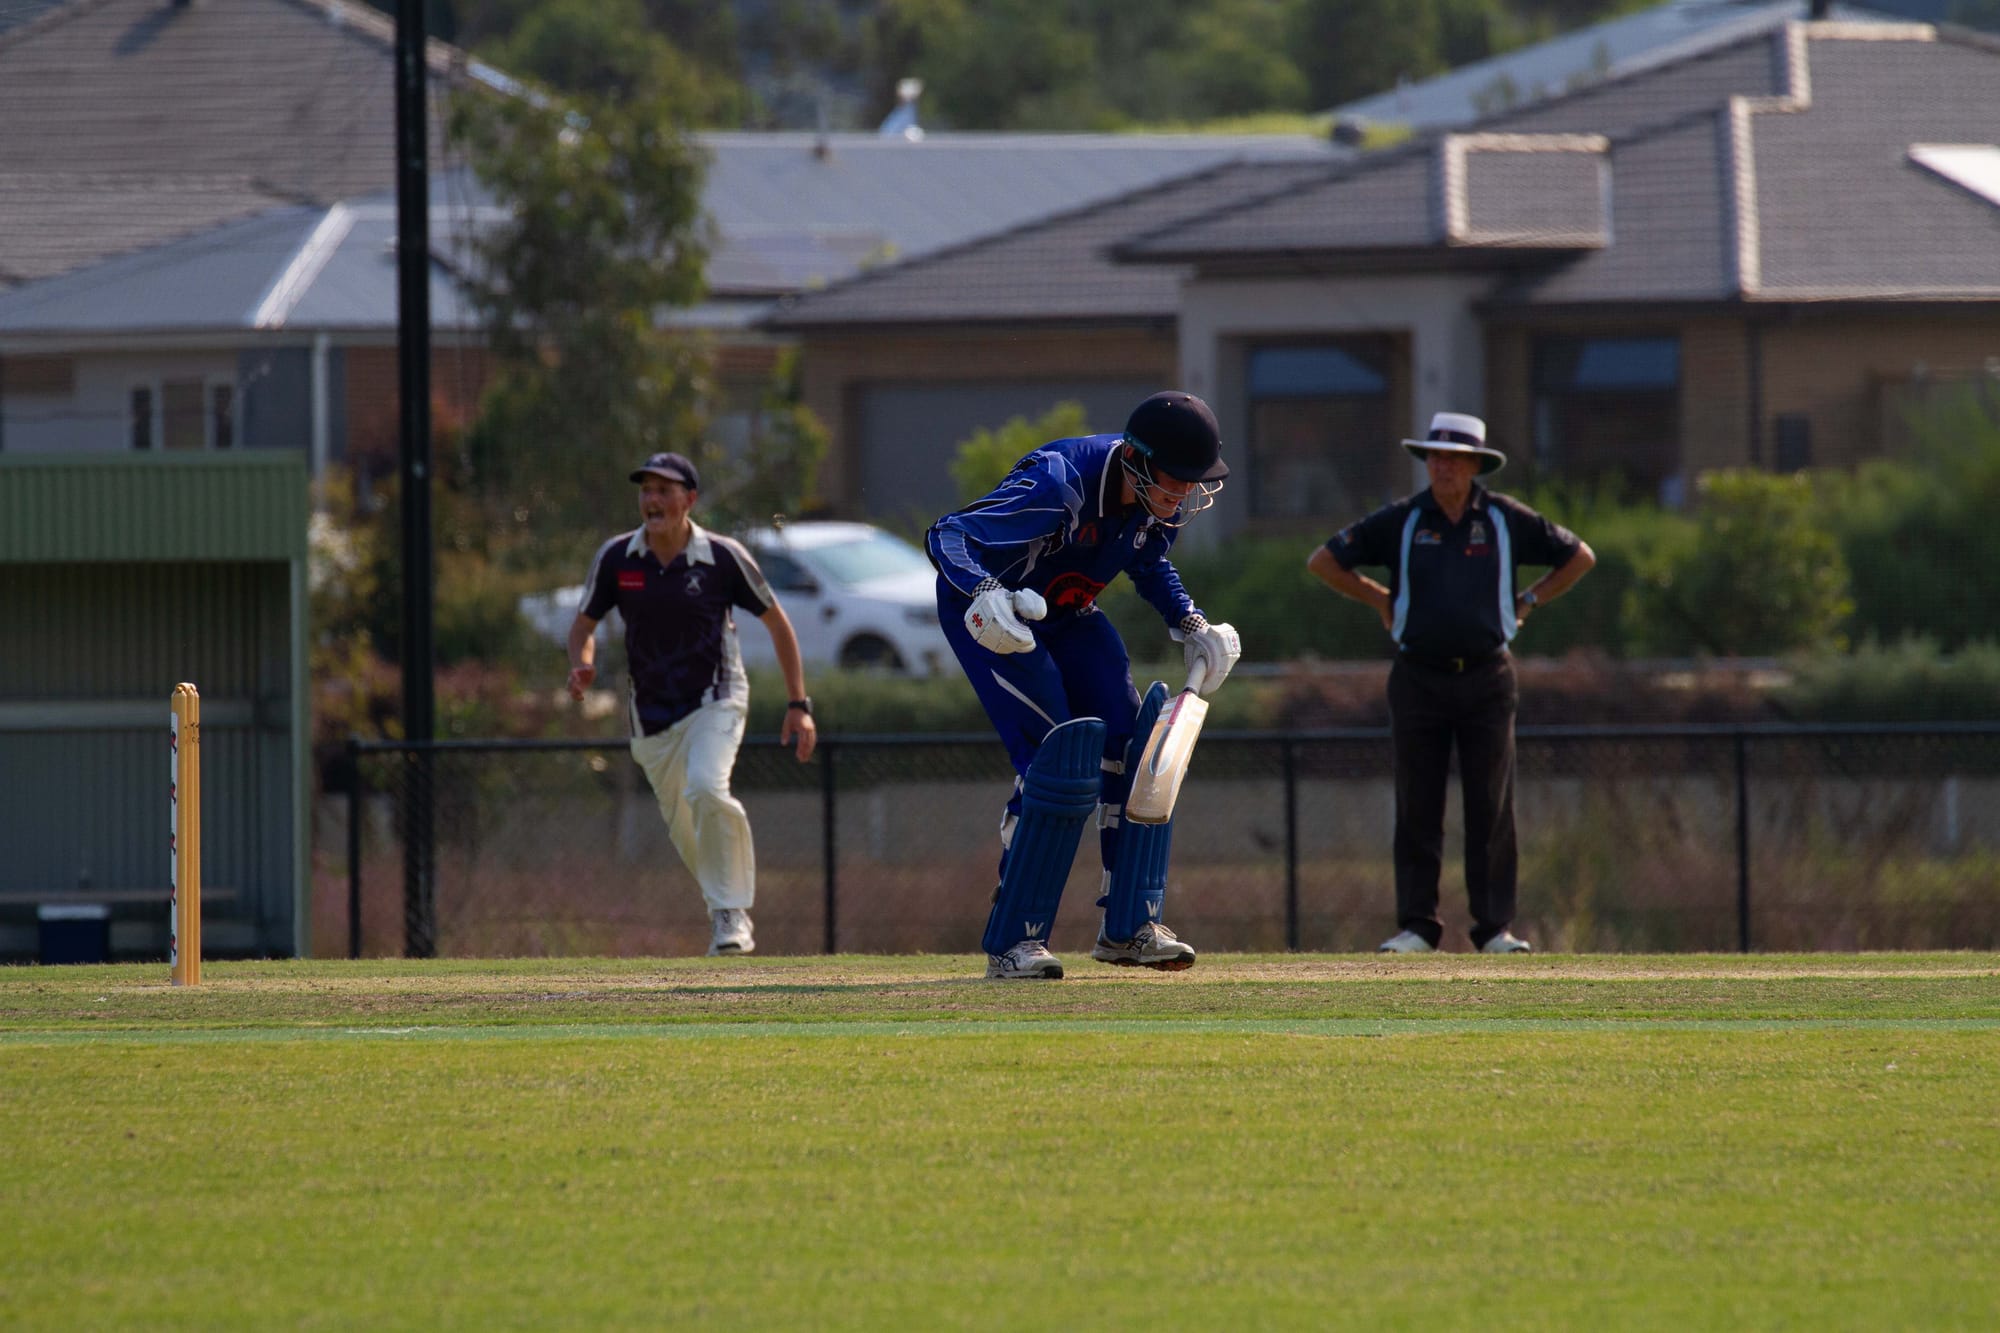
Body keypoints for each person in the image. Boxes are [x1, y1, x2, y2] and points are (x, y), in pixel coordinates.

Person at [927, 391, 1242, 980]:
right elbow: (948, 535)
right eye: (1175, 480)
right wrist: (984, 592)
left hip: (1068, 613)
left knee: (1135, 745)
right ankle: (1015, 939)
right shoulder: (1061, 483)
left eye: (1192, 483)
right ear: (1136, 462)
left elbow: (1148, 565)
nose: (1183, 497)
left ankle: (1129, 928)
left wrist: (1191, 622)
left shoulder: (1155, 506)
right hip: (993, 619)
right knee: (1060, 753)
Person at [1307, 412, 1595, 955]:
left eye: (1454, 458)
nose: (1442, 467)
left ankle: (1494, 930)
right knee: (1418, 802)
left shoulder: (1505, 519)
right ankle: (1418, 927)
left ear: (1475, 465)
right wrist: (1379, 599)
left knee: (1491, 803)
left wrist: (1529, 600)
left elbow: (1579, 556)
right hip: (1418, 676)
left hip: (1489, 676)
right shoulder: (1406, 519)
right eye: (1435, 457)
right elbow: (1324, 561)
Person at [566, 451, 817, 957]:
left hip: (716, 698)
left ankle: (731, 916)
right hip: (652, 716)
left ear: (690, 499)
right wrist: (581, 663)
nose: (652, 500)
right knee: (686, 826)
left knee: (706, 788)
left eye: (664, 490)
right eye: (646, 490)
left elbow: (778, 624)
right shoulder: (617, 557)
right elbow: (583, 627)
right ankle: (721, 906)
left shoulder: (722, 556)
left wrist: (799, 703)